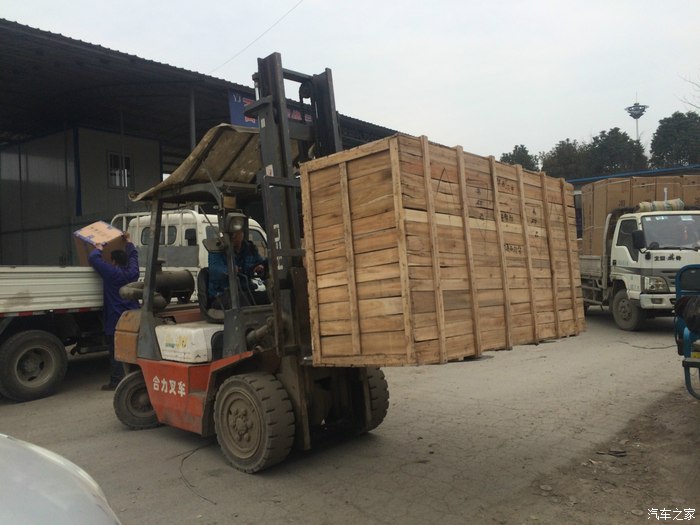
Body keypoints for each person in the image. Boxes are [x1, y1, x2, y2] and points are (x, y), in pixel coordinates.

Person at [89, 232, 140, 391]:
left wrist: (99, 247)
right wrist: (129, 242)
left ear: (113, 261)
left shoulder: (111, 273)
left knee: (116, 351)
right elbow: (134, 257)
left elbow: (93, 259)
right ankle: (136, 377)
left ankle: (116, 381)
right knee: (132, 349)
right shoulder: (133, 273)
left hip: (115, 319)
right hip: (132, 318)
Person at [208, 221, 267, 309]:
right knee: (241, 301)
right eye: (231, 233)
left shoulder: (249, 249)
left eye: (237, 232)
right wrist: (229, 270)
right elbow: (214, 269)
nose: (234, 235)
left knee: (269, 296)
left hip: (246, 291)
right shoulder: (217, 248)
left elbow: (261, 262)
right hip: (222, 294)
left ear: (242, 233)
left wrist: (261, 268)